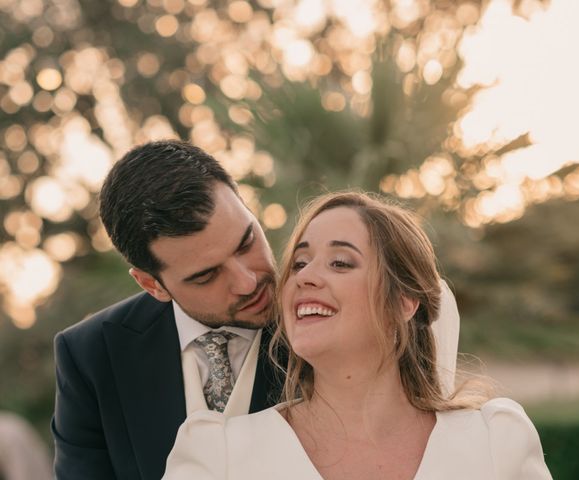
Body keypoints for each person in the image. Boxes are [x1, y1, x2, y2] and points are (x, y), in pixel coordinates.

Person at [52, 142, 461, 480]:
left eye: (246, 241)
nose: (248, 281)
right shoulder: (91, 355)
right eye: (206, 275)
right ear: (152, 284)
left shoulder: (331, 319)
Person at [163, 191, 552, 479]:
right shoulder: (219, 456)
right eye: (299, 262)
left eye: (340, 262)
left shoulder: (495, 442)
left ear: (404, 301)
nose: (305, 277)